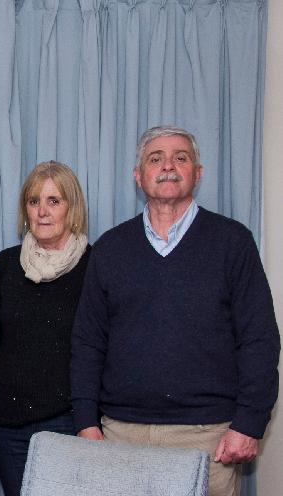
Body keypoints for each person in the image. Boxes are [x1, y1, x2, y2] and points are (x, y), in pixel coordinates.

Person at [71, 126, 280, 496]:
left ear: (197, 173)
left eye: (180, 158)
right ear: (139, 176)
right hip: (121, 434)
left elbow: (259, 339)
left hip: (206, 437)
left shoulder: (233, 242)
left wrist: (248, 423)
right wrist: (87, 423)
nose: (168, 166)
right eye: (156, 158)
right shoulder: (110, 248)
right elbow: (88, 343)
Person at [0, 161, 90, 495]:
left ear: (71, 208)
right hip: (9, 428)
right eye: (34, 201)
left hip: (69, 424)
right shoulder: (5, 265)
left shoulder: (94, 265)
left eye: (54, 201)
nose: (43, 212)